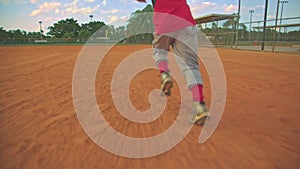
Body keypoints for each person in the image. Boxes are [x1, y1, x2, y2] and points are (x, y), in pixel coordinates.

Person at [136, 0, 209, 125]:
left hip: (163, 22)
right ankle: (199, 105)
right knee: (190, 66)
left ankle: (164, 74)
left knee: (159, 51)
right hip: (185, 21)